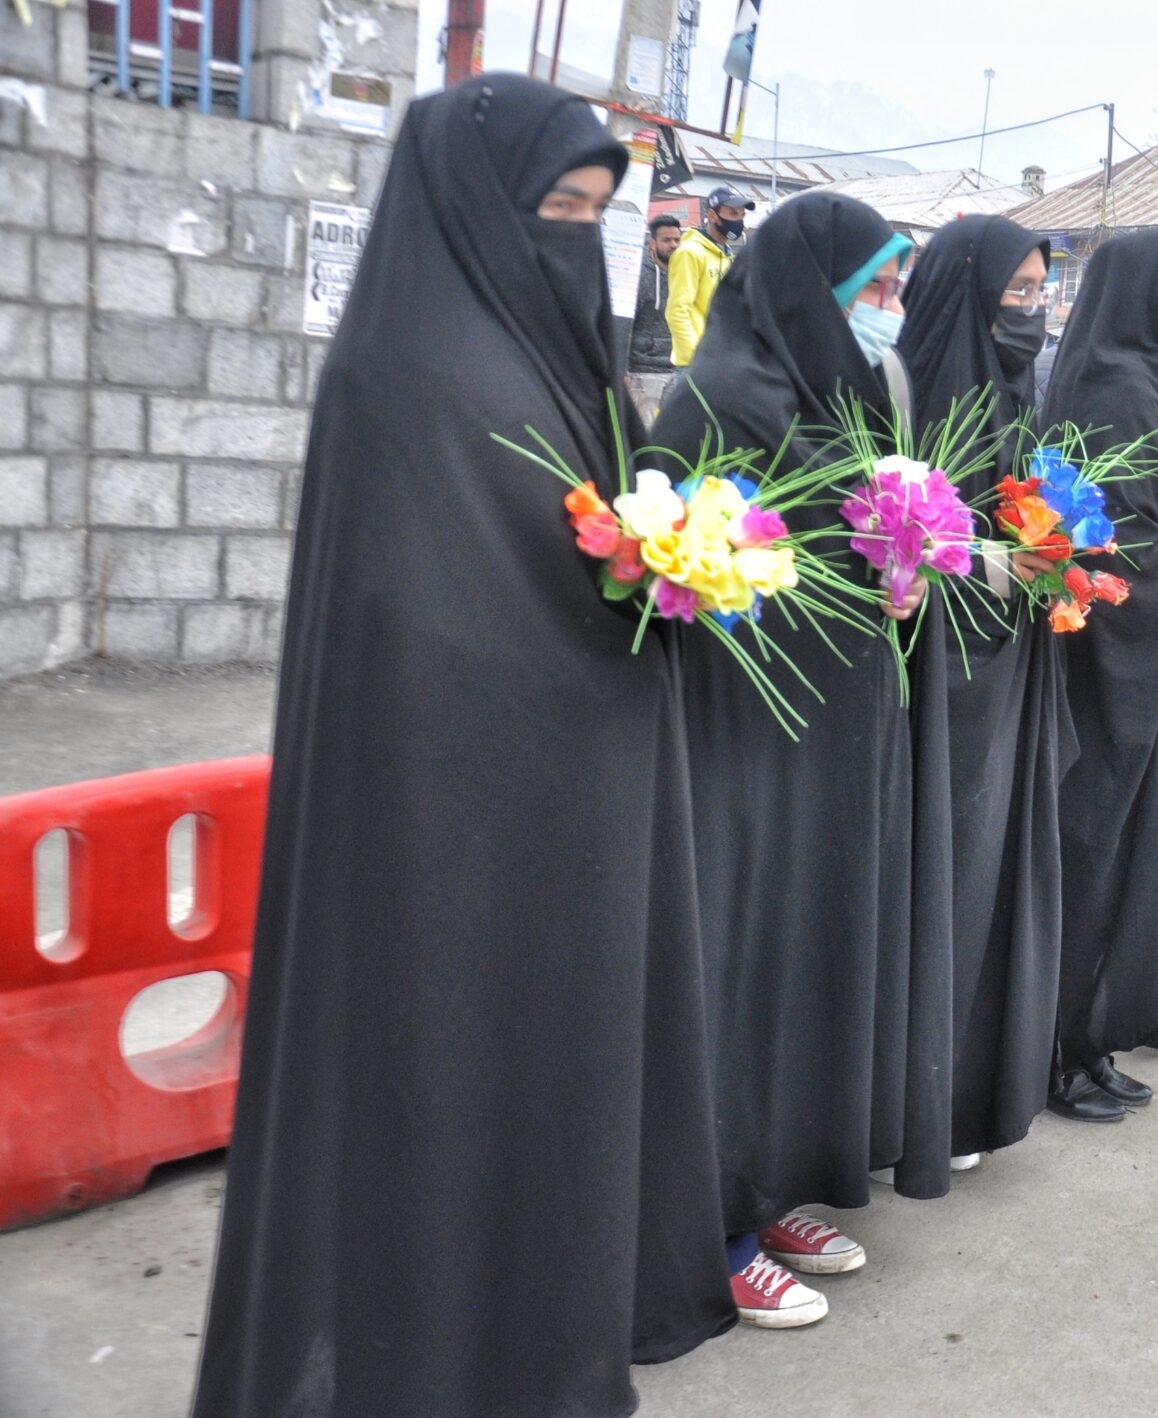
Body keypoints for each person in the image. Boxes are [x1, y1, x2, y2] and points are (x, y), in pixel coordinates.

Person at [188, 75, 734, 1417]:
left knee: (545, 1110)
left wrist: (673, 571)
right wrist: (610, 590)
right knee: (431, 1094)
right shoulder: (400, 374)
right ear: (473, 206)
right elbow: (426, 620)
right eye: (556, 207)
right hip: (442, 825)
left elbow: (590, 525)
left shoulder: (557, 357)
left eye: (597, 215)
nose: (577, 237)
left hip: (564, 819)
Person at [647, 191, 952, 1327]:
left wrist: (912, 555)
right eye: (868, 288)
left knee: (808, 961)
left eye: (892, 289)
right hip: (746, 744)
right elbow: (672, 573)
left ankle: (769, 1185)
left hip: (835, 734)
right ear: (802, 287)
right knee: (741, 968)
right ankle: (710, 1227)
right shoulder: (716, 399)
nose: (885, 310)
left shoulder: (849, 395)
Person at [1040, 229, 1158, 1121]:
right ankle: (1057, 1052)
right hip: (1104, 667)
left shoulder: (1138, 382)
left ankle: (1086, 1042)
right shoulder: (1120, 391)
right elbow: (1100, 547)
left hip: (1144, 658)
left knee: (1123, 854)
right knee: (1093, 847)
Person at [897, 214, 1063, 1163]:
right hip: (934, 673)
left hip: (1003, 671)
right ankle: (920, 1093)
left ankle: (967, 1086)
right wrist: (999, 567)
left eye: (1042, 295)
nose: (1033, 313)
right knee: (937, 870)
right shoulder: (916, 389)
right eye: (1017, 295)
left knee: (987, 869)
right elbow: (899, 532)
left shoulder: (1014, 393)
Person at [665, 184, 753, 370]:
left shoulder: (726, 255)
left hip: (722, 360)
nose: (739, 221)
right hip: (698, 364)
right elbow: (677, 310)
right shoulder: (689, 252)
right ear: (712, 216)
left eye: (742, 215)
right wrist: (694, 357)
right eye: (733, 214)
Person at [630, 212, 682, 372]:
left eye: (677, 240)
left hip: (679, 368)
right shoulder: (639, 275)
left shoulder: (685, 272)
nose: (673, 245)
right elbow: (624, 326)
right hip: (644, 370)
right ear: (652, 243)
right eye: (666, 240)